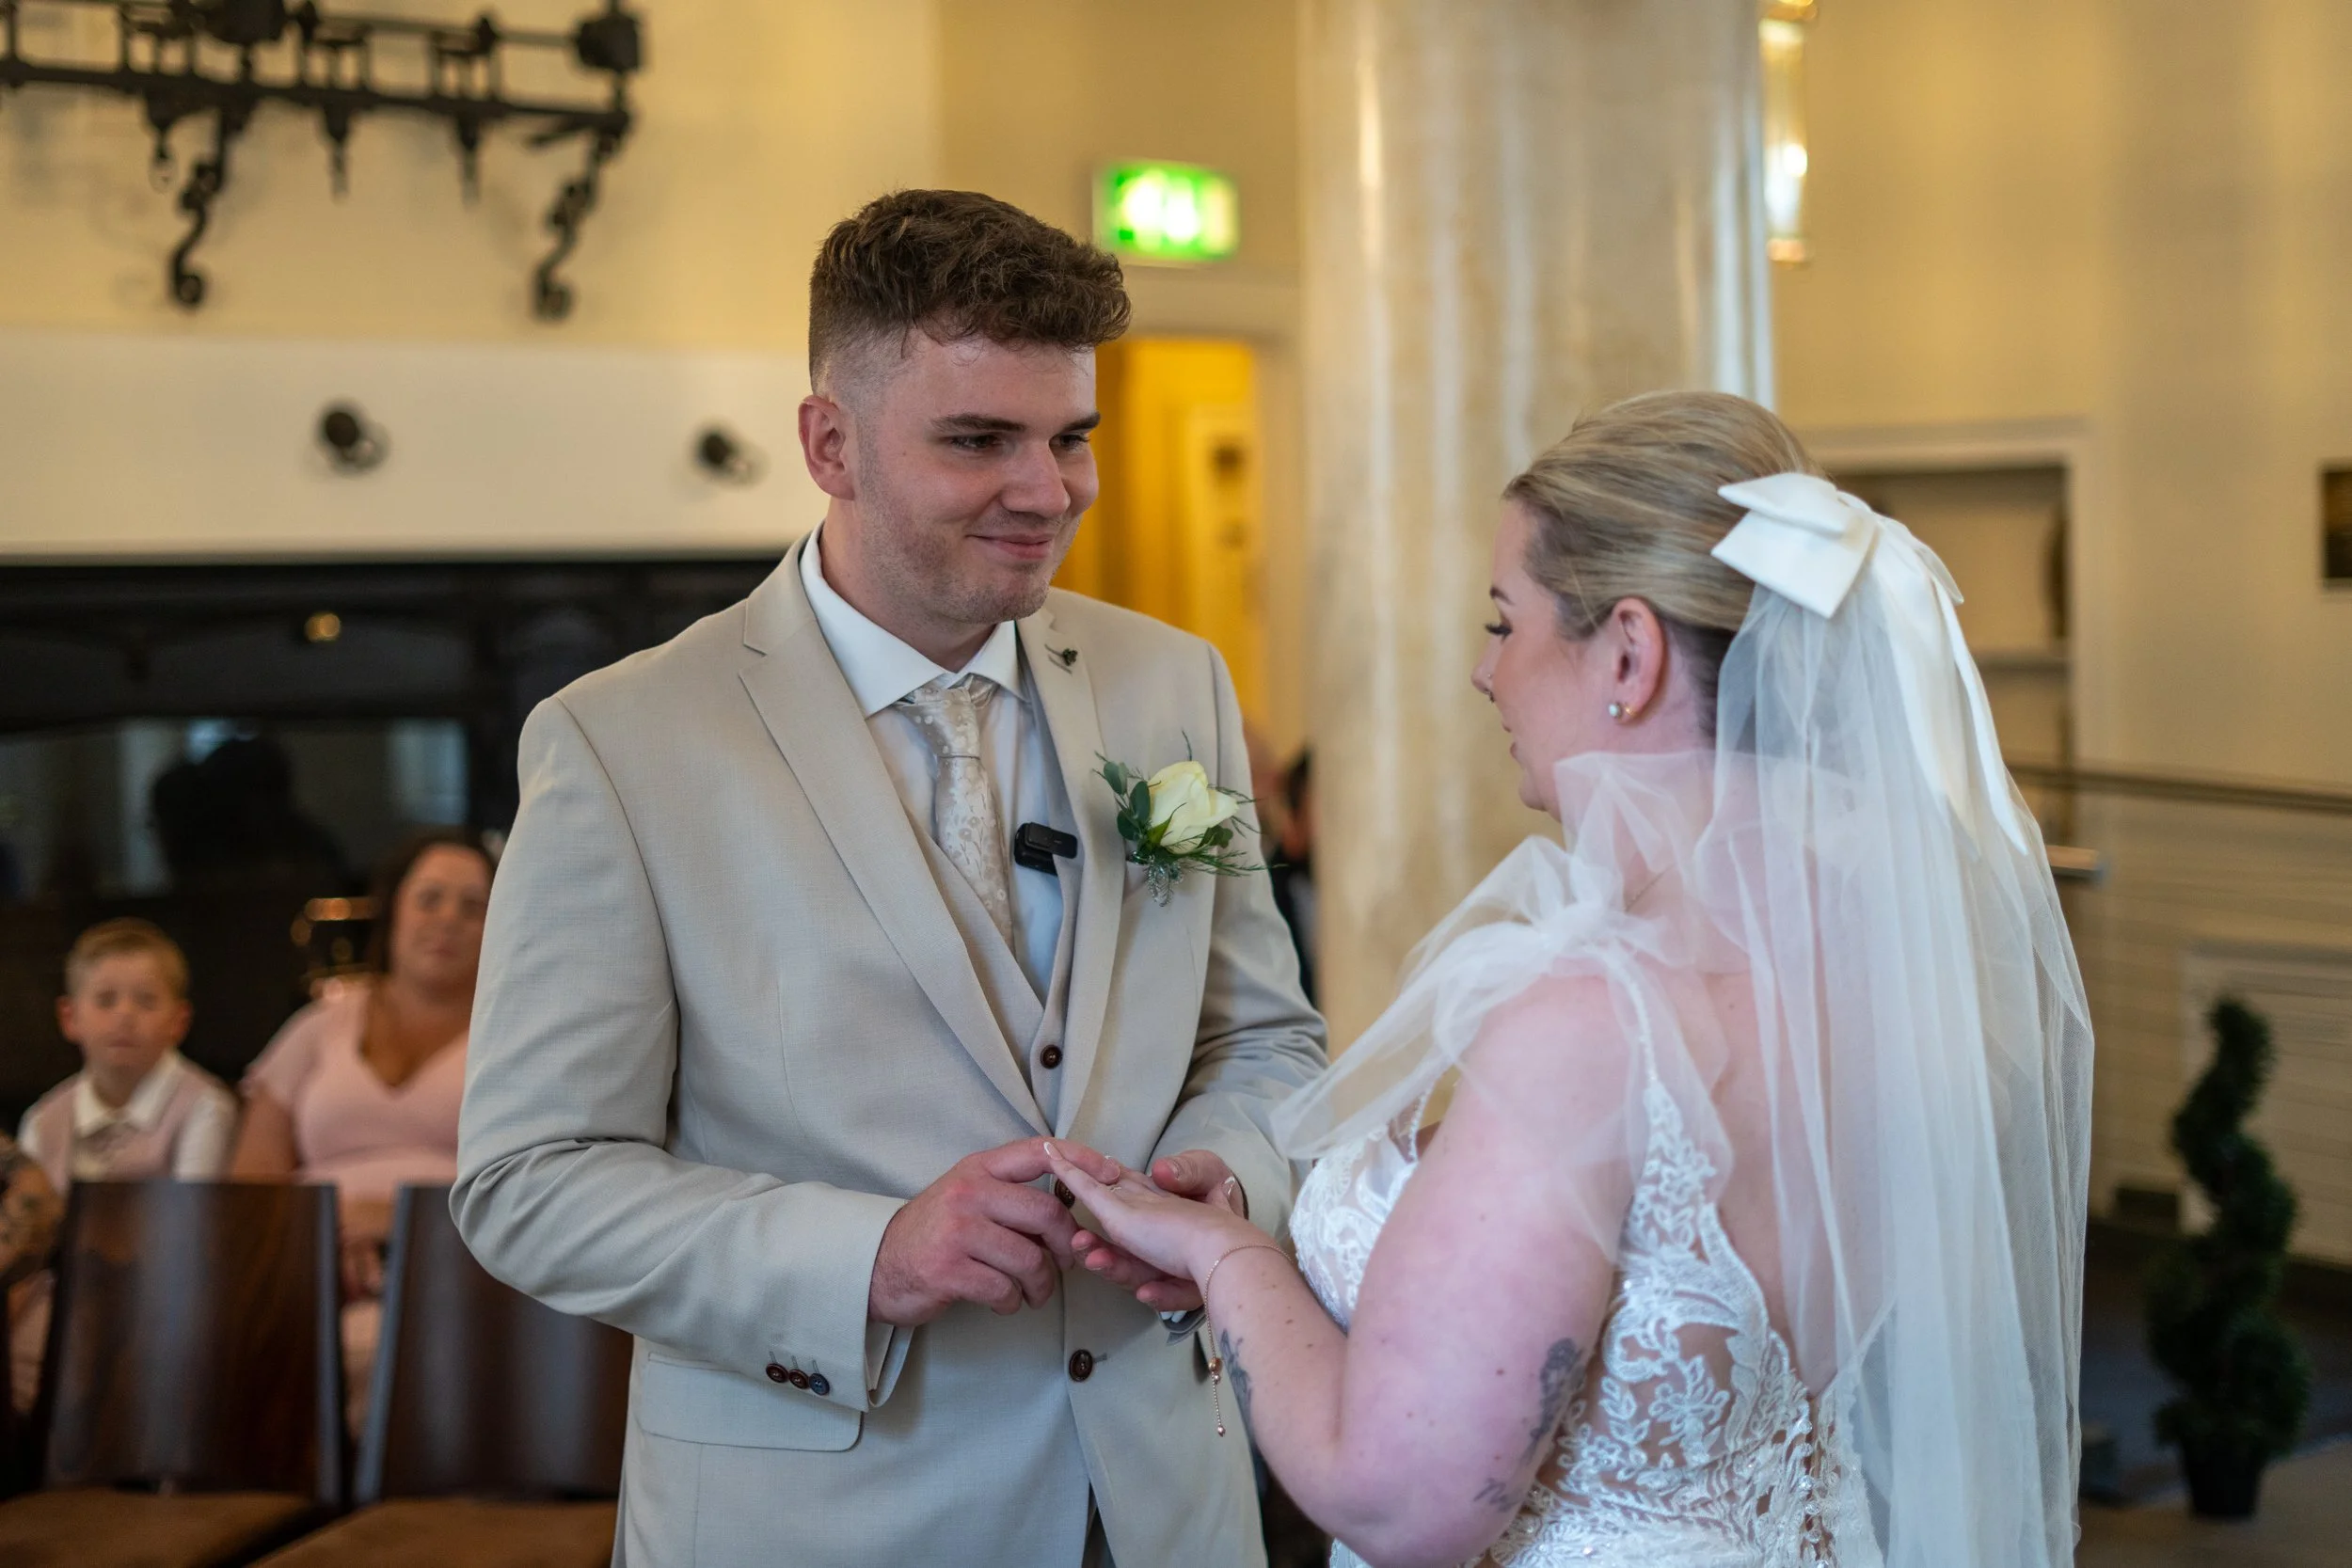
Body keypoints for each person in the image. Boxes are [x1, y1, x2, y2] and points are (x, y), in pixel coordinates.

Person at [1048, 390, 2092, 1568]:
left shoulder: (1598, 1023)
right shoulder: (1899, 981)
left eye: (1505, 622)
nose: (1485, 674)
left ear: (1630, 655)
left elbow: (1398, 1500)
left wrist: (1224, 1259)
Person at [453, 189, 1326, 1568]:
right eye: (979, 439)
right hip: (819, 1515)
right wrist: (870, 1252)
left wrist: (1230, 1175)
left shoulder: (1177, 682)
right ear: (830, 443)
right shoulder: (620, 742)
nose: (1047, 489)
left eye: (1070, 437)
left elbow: (1267, 1035)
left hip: (1167, 1502)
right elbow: (529, 1177)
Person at [231, 827, 491, 1417]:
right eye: (429, 898)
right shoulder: (318, 1026)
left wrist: (396, 1225)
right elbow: (250, 1189)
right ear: (394, 909)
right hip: (310, 1271)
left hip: (459, 1274)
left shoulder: (515, 1040)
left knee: (377, 1347)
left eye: (472, 906)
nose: (447, 919)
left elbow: (538, 1191)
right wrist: (320, 1239)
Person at [12, 918, 238, 1411]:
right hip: (62, 1292)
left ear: (179, 1021)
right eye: (106, 1000)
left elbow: (192, 1222)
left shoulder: (204, 1107)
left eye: (146, 1000)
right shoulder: (44, 1120)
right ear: (70, 1017)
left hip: (161, 1284)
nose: (125, 1017)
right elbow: (27, 1236)